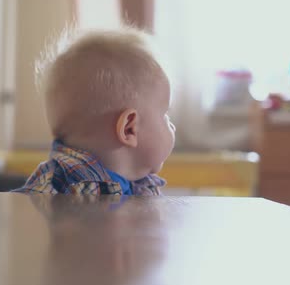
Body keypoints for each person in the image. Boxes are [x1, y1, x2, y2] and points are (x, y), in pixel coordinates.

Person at [14, 27, 175, 195]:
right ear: (129, 129)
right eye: (165, 115)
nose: (173, 126)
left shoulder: (140, 185)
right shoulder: (71, 194)